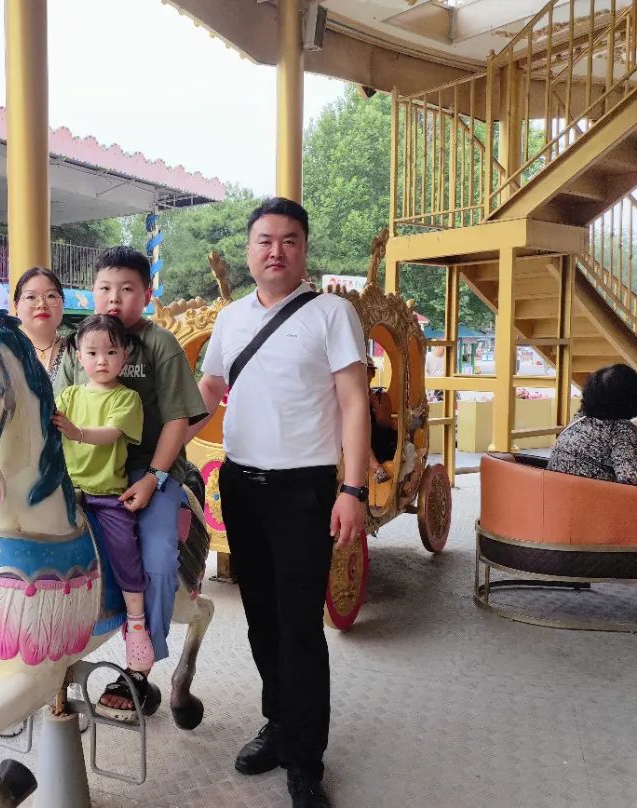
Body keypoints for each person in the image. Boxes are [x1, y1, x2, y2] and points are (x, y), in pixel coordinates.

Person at [190, 197, 370, 808]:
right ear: (249, 250)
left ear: (304, 249)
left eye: (289, 240)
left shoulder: (333, 313)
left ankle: (305, 761)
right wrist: (160, 447)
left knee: (299, 628)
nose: (276, 251)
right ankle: (278, 722)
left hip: (305, 491)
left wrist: (352, 489)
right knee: (262, 619)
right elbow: (210, 387)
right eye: (264, 240)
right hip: (241, 486)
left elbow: (354, 403)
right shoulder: (231, 317)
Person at [54, 246, 208, 720]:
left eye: (127, 289)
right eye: (105, 288)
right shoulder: (78, 342)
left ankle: (139, 667)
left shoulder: (159, 344)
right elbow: (56, 413)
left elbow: (179, 418)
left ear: (146, 292)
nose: (114, 298)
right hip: (82, 467)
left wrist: (155, 478)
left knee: (157, 553)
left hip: (146, 468)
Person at [52, 315, 154, 682]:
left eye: (111, 352)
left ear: (124, 356)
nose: (101, 360)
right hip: (64, 491)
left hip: (106, 493)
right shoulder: (68, 395)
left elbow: (109, 434)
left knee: (124, 546)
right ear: (78, 357)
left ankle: (136, 621)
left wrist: (76, 431)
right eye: (92, 352)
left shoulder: (126, 398)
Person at [548, 363, 637, 484]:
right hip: (591, 495)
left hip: (556, 492)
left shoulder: (579, 420)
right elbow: (630, 479)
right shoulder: (620, 430)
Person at [14, 267, 67, 378]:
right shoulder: (4, 352)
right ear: (16, 306)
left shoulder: (79, 351)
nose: (42, 304)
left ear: (63, 304)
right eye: (31, 297)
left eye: (51, 296)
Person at [366, 359, 397, 483]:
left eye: (367, 371)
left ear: (372, 374)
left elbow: (383, 423)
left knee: (359, 433)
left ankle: (376, 467)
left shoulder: (380, 396)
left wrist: (374, 407)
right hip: (351, 441)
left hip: (378, 440)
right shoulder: (346, 396)